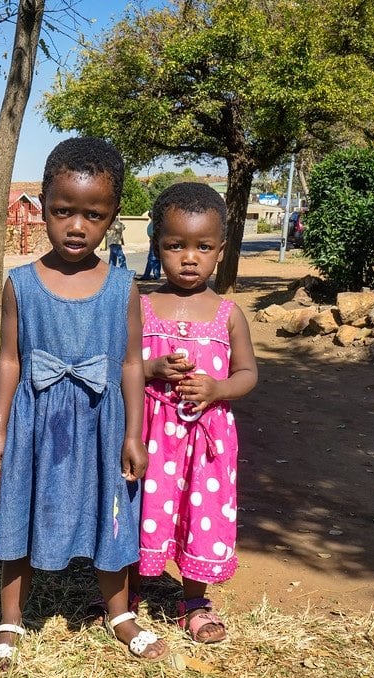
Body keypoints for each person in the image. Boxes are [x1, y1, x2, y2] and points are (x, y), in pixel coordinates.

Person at [0, 137, 169, 671]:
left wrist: (134, 433)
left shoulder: (122, 287)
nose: (77, 226)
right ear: (43, 207)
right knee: (20, 509)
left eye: (94, 214)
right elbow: (10, 361)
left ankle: (119, 613)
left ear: (113, 217)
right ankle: (10, 618)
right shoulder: (20, 285)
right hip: (36, 420)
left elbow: (132, 363)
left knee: (112, 512)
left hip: (102, 422)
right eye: (63, 211)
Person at [132, 182, 258, 644]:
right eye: (175, 245)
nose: (189, 258)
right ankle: (128, 591)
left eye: (203, 247)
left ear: (220, 251)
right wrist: (151, 367)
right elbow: (124, 364)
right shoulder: (140, 306)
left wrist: (218, 387)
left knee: (200, 512)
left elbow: (248, 373)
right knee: (143, 505)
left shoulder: (228, 314)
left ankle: (194, 600)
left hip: (207, 439)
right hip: (151, 432)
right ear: (156, 245)